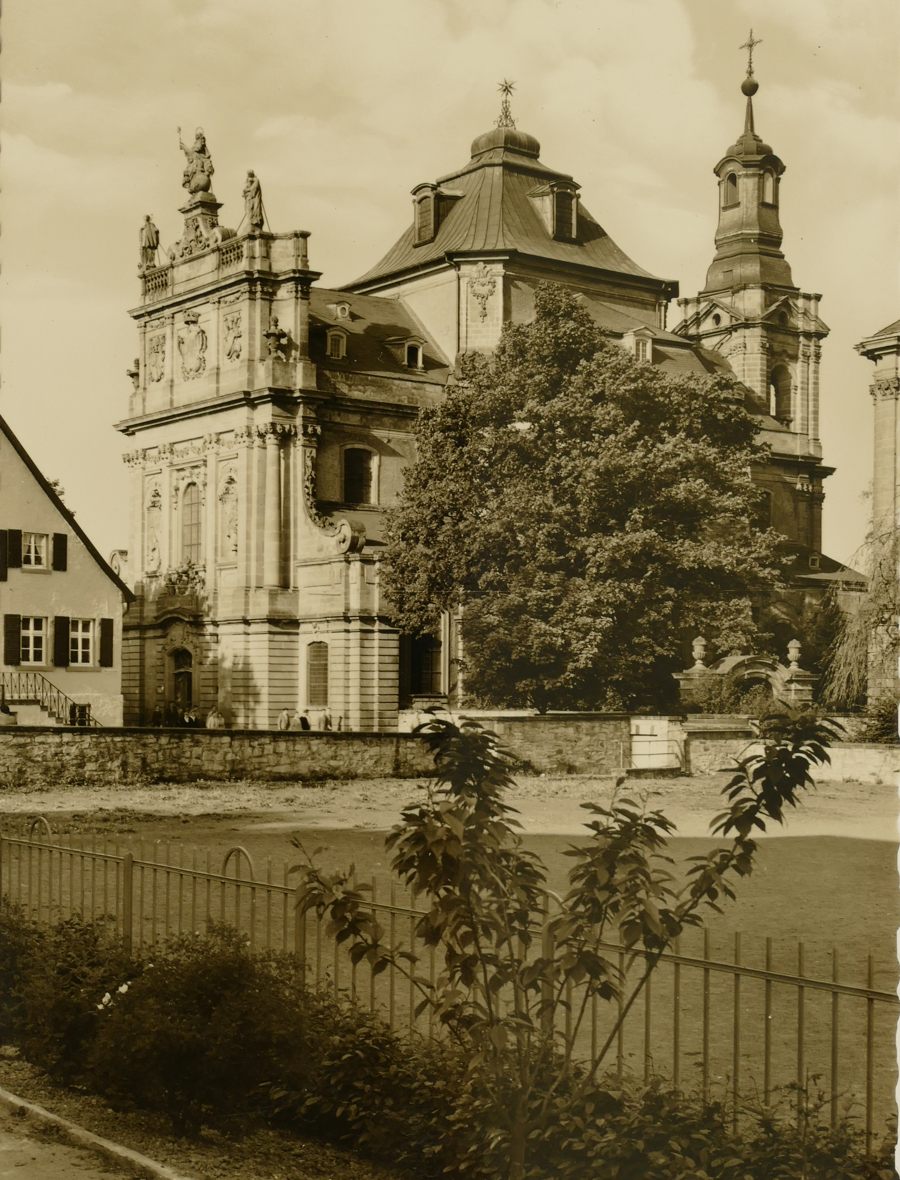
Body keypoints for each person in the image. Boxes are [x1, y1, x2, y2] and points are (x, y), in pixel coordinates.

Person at [178, 126, 214, 194]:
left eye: (202, 142)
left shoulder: (204, 156)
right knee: (188, 169)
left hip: (203, 178)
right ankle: (188, 182)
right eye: (200, 141)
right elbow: (190, 154)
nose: (201, 144)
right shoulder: (194, 154)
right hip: (195, 176)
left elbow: (208, 166)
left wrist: (208, 171)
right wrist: (183, 146)